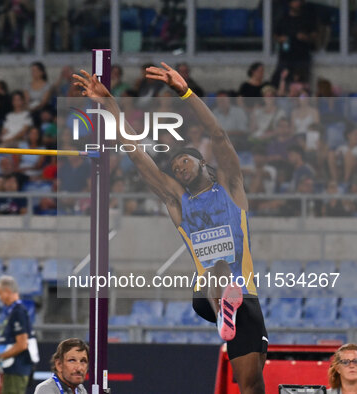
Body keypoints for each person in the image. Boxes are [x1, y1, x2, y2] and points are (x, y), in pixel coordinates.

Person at [73, 62, 268, 394]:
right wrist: (111, 105)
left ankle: (228, 312)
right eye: (175, 167)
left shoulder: (232, 190)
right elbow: (135, 154)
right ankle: (223, 306)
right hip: (207, 292)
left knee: (250, 384)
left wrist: (185, 92)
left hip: (245, 297)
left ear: (202, 162)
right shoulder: (179, 203)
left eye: (185, 162)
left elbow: (218, 134)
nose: (179, 168)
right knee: (218, 271)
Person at [0, 276, 36, 394]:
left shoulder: (18, 312)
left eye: (0, 294)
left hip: (16, 370)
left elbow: (22, 344)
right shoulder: (13, 312)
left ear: (8, 291)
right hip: (12, 369)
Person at [271, 0, 317, 84]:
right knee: (282, 82)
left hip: (302, 57)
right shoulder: (283, 19)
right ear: (290, 3)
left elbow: (314, 35)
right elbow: (275, 35)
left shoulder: (306, 19)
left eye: (299, 2)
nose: (297, 4)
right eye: (295, 1)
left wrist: (305, 37)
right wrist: (280, 39)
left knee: (301, 83)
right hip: (285, 57)